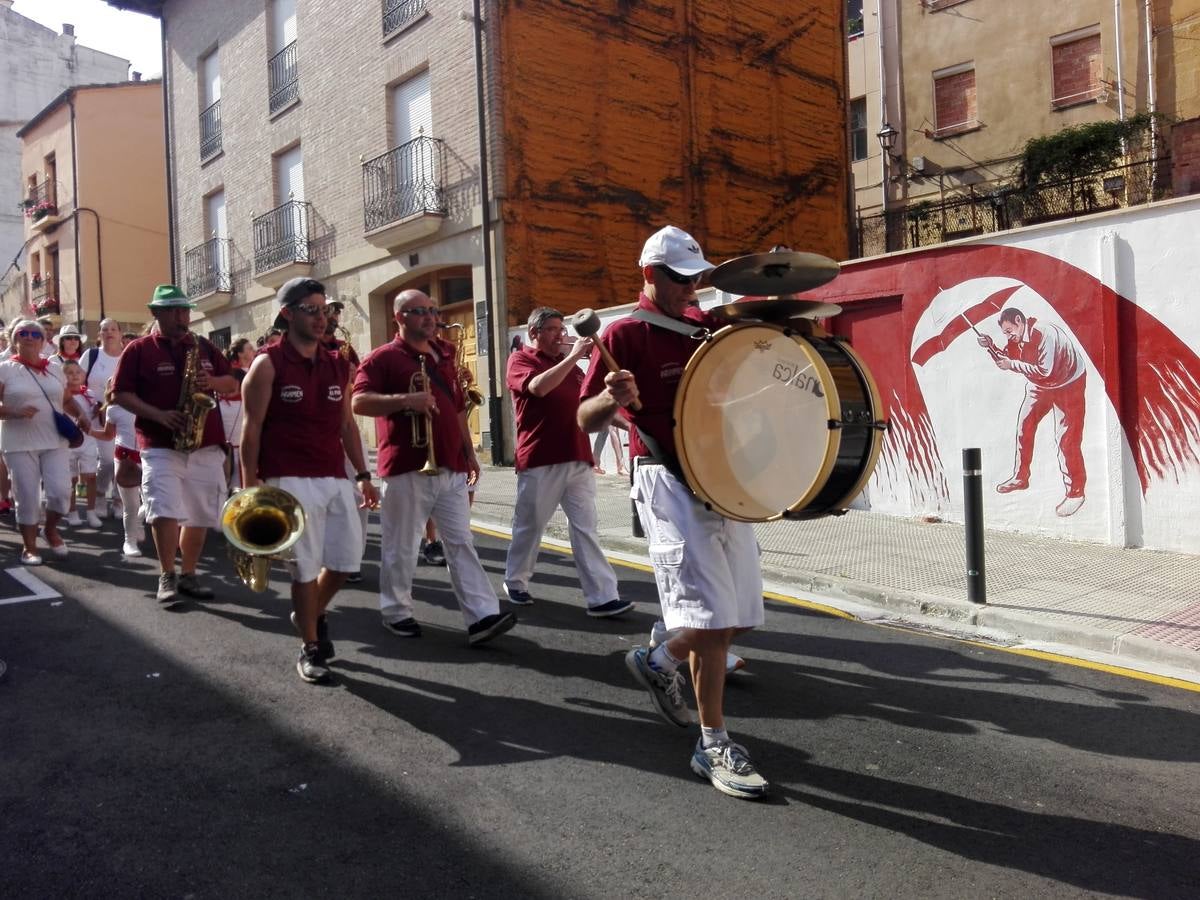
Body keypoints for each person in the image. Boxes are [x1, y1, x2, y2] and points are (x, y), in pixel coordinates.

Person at [577, 225, 769, 799]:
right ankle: (713, 745)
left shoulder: (703, 326)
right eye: (681, 280)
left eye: (696, 279)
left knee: (735, 613)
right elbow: (584, 418)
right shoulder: (625, 334)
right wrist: (613, 397)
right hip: (666, 477)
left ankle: (658, 658)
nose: (692, 289)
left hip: (720, 474)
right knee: (711, 620)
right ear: (650, 276)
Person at [352, 289, 516, 646]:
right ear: (399, 318)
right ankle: (396, 612)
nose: (429, 317)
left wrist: (469, 452)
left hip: (450, 465)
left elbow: (457, 408)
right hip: (407, 466)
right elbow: (359, 402)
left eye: (431, 310)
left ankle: (482, 615)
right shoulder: (382, 359)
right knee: (402, 545)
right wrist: (405, 400)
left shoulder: (446, 352)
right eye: (418, 311)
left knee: (460, 542)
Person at [240, 278, 379, 684]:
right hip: (288, 478)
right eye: (311, 310)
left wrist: (365, 475)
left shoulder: (338, 362)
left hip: (335, 475)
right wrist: (252, 492)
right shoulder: (266, 364)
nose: (322, 318)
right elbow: (250, 433)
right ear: (287, 314)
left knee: (345, 562)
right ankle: (311, 647)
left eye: (325, 310)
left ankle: (310, 613)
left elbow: (348, 425)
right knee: (303, 567)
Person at [113, 285, 239, 606]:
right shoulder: (138, 350)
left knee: (198, 514)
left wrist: (210, 383)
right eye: (174, 311)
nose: (183, 318)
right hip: (160, 443)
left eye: (185, 311)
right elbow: (121, 394)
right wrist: (159, 415)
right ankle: (166, 574)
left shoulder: (203, 346)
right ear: (156, 313)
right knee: (163, 509)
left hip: (205, 443)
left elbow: (232, 382)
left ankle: (189, 573)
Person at [503, 306, 631, 617]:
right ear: (534, 334)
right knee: (530, 526)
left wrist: (633, 425)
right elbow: (538, 388)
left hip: (578, 458)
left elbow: (592, 406)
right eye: (553, 330)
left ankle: (602, 596)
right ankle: (516, 582)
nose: (561, 335)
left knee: (586, 528)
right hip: (540, 459)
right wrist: (574, 356)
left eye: (562, 329)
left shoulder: (572, 370)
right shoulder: (520, 360)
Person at [977, 307, 1087, 517]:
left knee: (1067, 439)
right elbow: (1006, 358)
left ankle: (1076, 492)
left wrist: (1012, 364)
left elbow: (1045, 369)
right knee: (1024, 427)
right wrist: (989, 346)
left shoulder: (1045, 334)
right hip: (1040, 386)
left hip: (1068, 382)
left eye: (1009, 331)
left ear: (1019, 321)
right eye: (1005, 333)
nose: (1008, 336)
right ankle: (1021, 476)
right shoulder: (1015, 338)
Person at [0, 319, 81, 564]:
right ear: (14, 341)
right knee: (26, 495)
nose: (29, 337)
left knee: (61, 493)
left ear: (43, 340)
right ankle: (30, 545)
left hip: (54, 440)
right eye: (22, 333)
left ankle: (51, 528)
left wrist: (83, 417)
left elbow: (66, 400)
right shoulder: (5, 368)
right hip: (18, 442)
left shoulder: (54, 368)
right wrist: (11, 411)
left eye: (35, 333)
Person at [320, 296, 370, 583]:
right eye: (330, 312)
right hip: (317, 435)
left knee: (358, 496)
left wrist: (353, 376)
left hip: (345, 427)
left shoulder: (345, 350)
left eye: (336, 313)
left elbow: (360, 384)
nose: (334, 318)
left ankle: (353, 558)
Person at [96, 378, 145, 557]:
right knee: (131, 505)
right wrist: (89, 431)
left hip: (148, 457)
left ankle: (138, 521)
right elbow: (108, 435)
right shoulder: (113, 409)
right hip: (125, 458)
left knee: (153, 502)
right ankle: (129, 541)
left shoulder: (148, 404)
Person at [84, 319, 127, 519]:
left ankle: (119, 500)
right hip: (97, 414)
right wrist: (94, 402)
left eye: (113, 329)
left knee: (124, 459)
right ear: (99, 335)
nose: (109, 332)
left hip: (125, 413)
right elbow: (76, 381)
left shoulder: (128, 355)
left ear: (120, 334)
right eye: (104, 329)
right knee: (108, 461)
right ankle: (101, 494)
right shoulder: (92, 356)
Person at [60, 360, 104, 528]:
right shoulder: (61, 396)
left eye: (77, 372)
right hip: (68, 443)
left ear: (83, 375)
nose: (74, 375)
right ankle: (72, 512)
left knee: (91, 476)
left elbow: (93, 416)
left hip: (88, 441)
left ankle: (91, 512)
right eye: (69, 373)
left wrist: (96, 411)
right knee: (70, 479)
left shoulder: (90, 394)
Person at [219, 338, 256, 493]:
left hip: (243, 454)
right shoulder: (218, 403)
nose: (253, 351)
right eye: (249, 348)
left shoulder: (247, 400)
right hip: (223, 454)